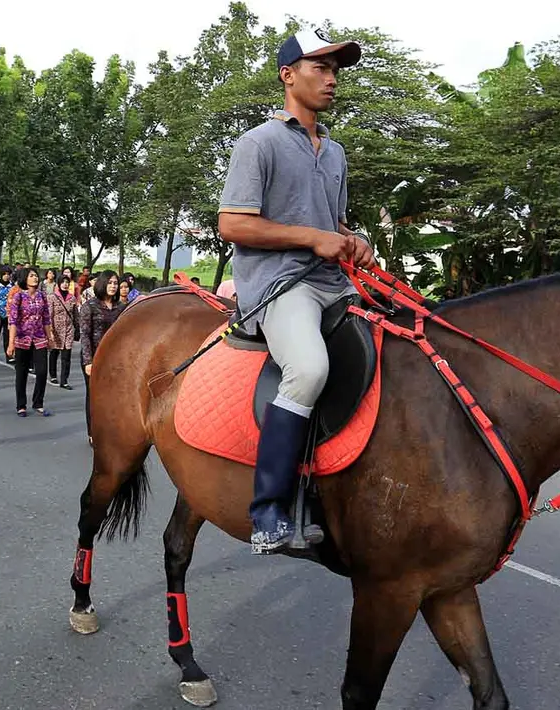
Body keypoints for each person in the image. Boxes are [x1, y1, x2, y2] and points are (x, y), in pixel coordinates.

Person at [216, 29, 376, 554]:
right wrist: (313, 238)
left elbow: (337, 223)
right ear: (288, 75)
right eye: (319, 68)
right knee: (308, 368)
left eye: (335, 70)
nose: (331, 79)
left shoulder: (336, 153)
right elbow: (233, 225)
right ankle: (267, 511)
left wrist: (356, 241)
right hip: (282, 285)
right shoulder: (257, 143)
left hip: (336, 285)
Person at [79, 271, 120, 447]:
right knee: (94, 396)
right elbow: (84, 335)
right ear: (102, 284)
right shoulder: (90, 306)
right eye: (110, 283)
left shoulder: (120, 307)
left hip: (114, 359)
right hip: (94, 357)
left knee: (113, 397)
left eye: (115, 283)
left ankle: (111, 430)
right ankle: (93, 432)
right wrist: (88, 361)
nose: (113, 286)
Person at [6, 267, 54, 417]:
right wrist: (11, 342)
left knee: (41, 371)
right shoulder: (18, 297)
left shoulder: (42, 296)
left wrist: (50, 337)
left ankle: (38, 402)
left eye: (36, 276)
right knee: (22, 373)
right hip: (22, 339)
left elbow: (46, 318)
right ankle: (21, 405)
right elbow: (13, 321)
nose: (35, 278)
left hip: (39, 338)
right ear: (24, 279)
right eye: (31, 276)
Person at [47, 275, 77, 390]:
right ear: (59, 284)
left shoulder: (72, 298)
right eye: (63, 282)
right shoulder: (52, 297)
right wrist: (50, 331)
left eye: (67, 282)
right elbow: (49, 315)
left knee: (66, 356)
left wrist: (77, 329)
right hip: (55, 329)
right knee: (54, 353)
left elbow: (75, 315)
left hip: (68, 329)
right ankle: (53, 375)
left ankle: (64, 380)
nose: (65, 284)